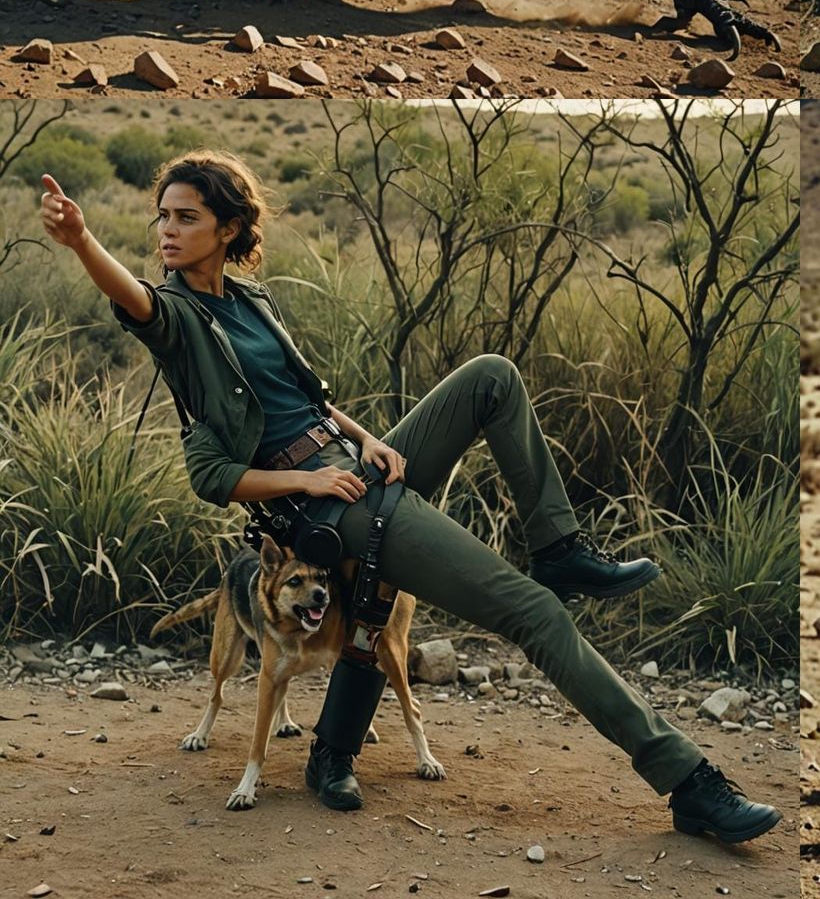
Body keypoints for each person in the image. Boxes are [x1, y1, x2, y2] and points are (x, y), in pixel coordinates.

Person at [38, 153, 779, 843]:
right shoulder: (178, 319)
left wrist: (366, 439)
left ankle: (560, 549)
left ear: (228, 229)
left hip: (350, 464)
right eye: (162, 216)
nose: (167, 230)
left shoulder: (252, 301)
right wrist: (80, 241)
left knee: (492, 376)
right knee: (534, 616)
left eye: (186, 217)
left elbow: (311, 401)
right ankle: (686, 782)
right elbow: (133, 300)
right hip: (326, 506)